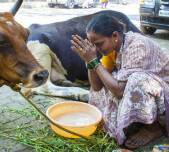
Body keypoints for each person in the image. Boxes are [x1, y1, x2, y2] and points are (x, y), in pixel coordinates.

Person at [70, 14, 169, 149]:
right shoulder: (113, 49)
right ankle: (136, 119)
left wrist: (94, 61)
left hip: (165, 95)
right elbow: (97, 87)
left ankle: (153, 128)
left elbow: (119, 91)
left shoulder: (138, 45)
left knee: (137, 80)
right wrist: (89, 62)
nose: (96, 49)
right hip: (151, 94)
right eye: (93, 45)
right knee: (106, 77)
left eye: (99, 44)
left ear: (115, 36)